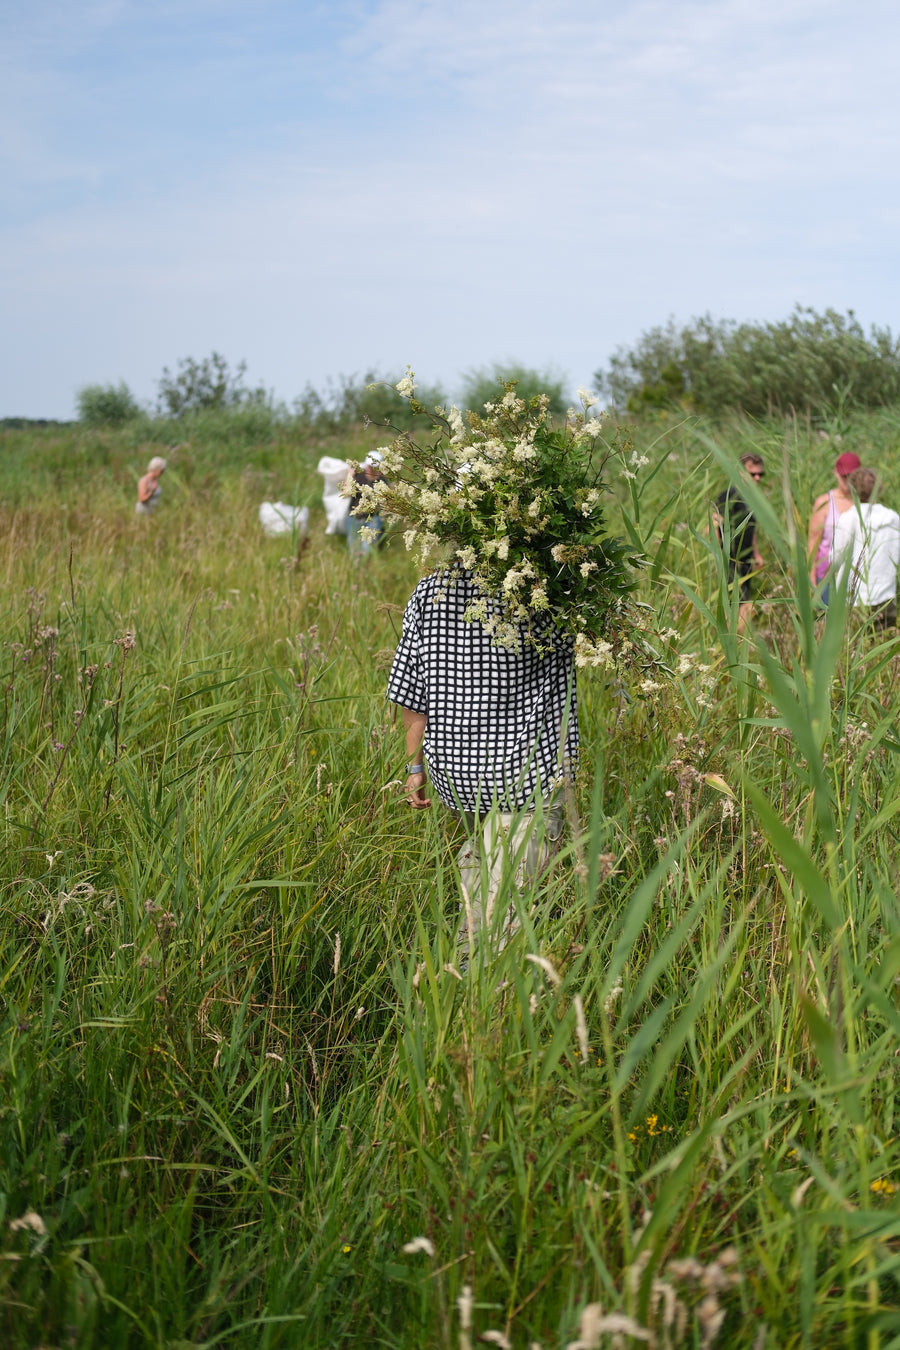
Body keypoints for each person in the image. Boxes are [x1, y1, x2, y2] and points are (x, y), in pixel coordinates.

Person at [386, 571, 578, 949]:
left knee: (487, 891)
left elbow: (411, 697)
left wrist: (415, 769)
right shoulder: (548, 587)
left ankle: (468, 991)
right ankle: (481, 995)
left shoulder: (430, 592)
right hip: (527, 782)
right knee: (499, 921)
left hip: (460, 785)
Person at [832, 468, 900, 630]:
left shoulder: (847, 519)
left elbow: (835, 559)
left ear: (852, 489)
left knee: (854, 652)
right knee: (883, 650)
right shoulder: (892, 518)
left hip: (853, 601)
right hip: (885, 599)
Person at [712, 453, 765, 634]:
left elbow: (752, 529)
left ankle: (738, 639)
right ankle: (729, 640)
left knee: (745, 601)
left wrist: (756, 553)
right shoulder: (730, 494)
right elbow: (715, 523)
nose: (757, 478)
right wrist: (719, 556)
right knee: (734, 601)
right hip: (730, 557)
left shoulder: (754, 497)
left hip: (746, 557)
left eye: (760, 474)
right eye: (752, 474)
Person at [807, 451, 862, 597]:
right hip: (827, 575)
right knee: (826, 618)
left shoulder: (864, 501)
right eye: (844, 477)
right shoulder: (824, 502)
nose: (848, 481)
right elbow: (813, 542)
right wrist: (811, 578)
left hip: (856, 576)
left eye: (853, 477)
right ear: (835, 473)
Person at [344, 452, 385, 557]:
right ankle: (356, 570)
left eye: (374, 467)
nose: (370, 469)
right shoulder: (358, 475)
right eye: (369, 466)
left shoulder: (382, 481)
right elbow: (346, 494)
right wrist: (350, 476)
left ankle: (364, 568)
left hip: (373, 519)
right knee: (354, 550)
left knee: (367, 550)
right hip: (354, 518)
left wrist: (384, 515)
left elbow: (387, 502)